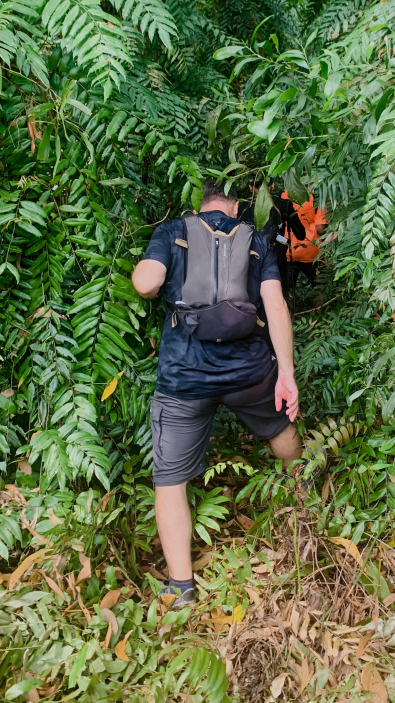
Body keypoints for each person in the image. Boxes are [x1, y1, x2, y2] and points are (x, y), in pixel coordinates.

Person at [131, 180, 302, 609]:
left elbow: (146, 284)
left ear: (198, 201)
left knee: (169, 480)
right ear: (239, 203)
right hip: (248, 370)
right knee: (280, 425)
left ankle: (181, 585)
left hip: (183, 377)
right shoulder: (256, 238)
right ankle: (303, 502)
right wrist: (287, 374)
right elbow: (275, 305)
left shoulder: (173, 231)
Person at [281, 190, 328, 293]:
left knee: (287, 291)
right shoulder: (318, 196)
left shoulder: (286, 194)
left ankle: (290, 307)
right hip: (313, 252)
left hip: (289, 250)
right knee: (319, 290)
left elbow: (279, 224)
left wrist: (283, 242)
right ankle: (320, 307)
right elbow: (320, 229)